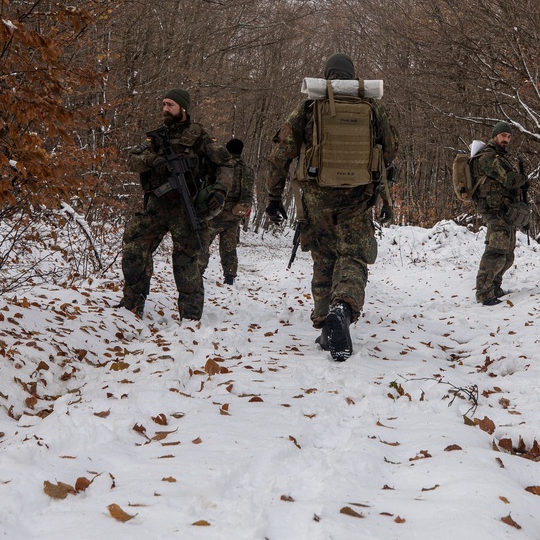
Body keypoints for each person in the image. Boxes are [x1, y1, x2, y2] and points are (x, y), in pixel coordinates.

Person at [265, 53, 398, 362]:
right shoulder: (372, 107)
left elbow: (280, 154)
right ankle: (343, 309)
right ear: (352, 76)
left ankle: (326, 323)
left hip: (316, 196)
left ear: (326, 76)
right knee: (352, 256)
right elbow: (392, 149)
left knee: (324, 257)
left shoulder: (309, 107)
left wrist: (273, 196)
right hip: (357, 196)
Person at [117, 88, 233, 321]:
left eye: (170, 105)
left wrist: (220, 190)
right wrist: (153, 159)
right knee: (134, 249)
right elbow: (132, 160)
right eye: (163, 104)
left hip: (185, 206)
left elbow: (225, 164)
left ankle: (190, 318)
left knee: (187, 260)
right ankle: (131, 305)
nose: (165, 109)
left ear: (183, 108)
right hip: (156, 206)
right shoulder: (157, 138)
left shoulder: (199, 136)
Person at [471, 121, 529, 306]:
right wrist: (523, 180)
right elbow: (509, 179)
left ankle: (495, 286)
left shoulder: (500, 156)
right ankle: (484, 293)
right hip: (494, 211)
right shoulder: (488, 157)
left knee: (508, 255)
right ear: (495, 135)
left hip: (506, 211)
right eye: (503, 135)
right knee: (495, 252)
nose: (506, 139)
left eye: (509, 136)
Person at [204, 138, 255, 285]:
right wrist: (242, 210)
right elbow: (247, 193)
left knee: (205, 241)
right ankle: (230, 276)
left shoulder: (222, 166)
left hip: (216, 209)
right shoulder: (247, 169)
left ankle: (198, 269)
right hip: (234, 213)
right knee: (229, 245)